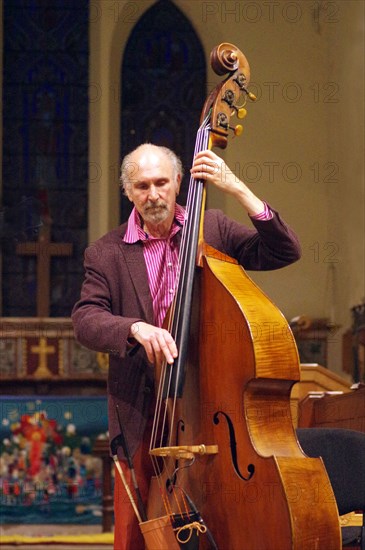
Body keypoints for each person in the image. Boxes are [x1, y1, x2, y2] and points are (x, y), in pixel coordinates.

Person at [72, 143, 301, 549]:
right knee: (135, 537)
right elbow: (86, 320)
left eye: (162, 182)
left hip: (212, 403)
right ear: (128, 192)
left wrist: (237, 189)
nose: (154, 194)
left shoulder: (212, 228)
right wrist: (135, 328)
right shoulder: (105, 253)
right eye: (142, 186)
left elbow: (284, 251)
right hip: (145, 412)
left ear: (180, 182)